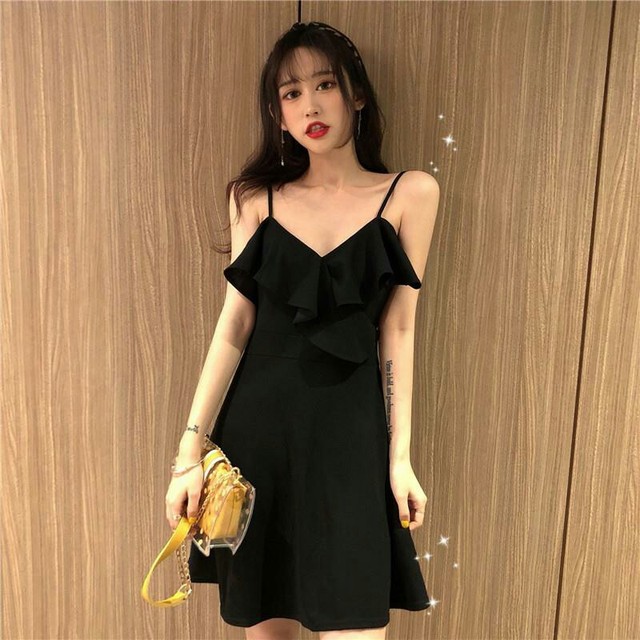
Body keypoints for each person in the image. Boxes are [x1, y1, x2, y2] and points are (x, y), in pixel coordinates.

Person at [165, 20, 440, 640]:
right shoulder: (253, 199)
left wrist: (399, 457)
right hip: (258, 443)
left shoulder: (410, 194)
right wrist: (188, 456)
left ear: (357, 95)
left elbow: (398, 331)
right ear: (278, 113)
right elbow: (233, 327)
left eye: (325, 85)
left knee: (356, 621)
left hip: (351, 444)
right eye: (291, 93)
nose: (310, 105)